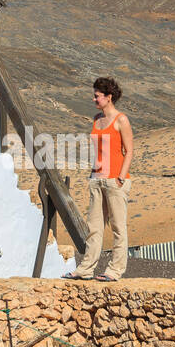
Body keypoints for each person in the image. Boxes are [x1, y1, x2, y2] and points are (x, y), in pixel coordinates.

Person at [65, 76, 133, 281]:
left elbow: (129, 151)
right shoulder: (96, 119)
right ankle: (86, 269)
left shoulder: (121, 119)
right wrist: (93, 175)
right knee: (94, 227)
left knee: (118, 227)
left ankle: (114, 271)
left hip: (115, 180)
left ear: (108, 97)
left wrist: (120, 178)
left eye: (97, 96)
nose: (94, 100)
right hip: (97, 179)